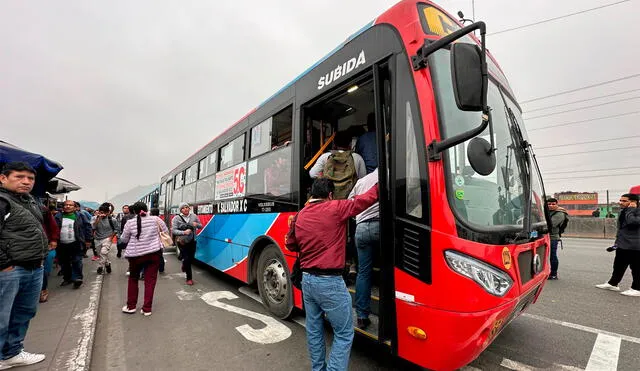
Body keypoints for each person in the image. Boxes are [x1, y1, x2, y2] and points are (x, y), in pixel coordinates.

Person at [285, 177, 379, 371]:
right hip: (330, 283)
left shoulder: (300, 215)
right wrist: (382, 183)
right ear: (329, 195)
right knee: (344, 333)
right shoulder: (336, 208)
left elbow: (291, 244)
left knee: (314, 329)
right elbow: (365, 200)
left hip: (307, 282)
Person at [0, 162, 48, 368]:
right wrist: (4, 264)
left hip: (34, 267)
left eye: (30, 178)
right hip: (11, 269)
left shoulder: (30, 201)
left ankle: (12, 353)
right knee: (2, 315)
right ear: (3, 178)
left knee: (24, 312)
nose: (26, 182)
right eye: (19, 177)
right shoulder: (2, 201)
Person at [120, 202, 168, 316]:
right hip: (154, 254)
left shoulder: (130, 223)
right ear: (146, 209)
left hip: (135, 256)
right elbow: (165, 232)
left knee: (133, 279)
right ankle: (147, 309)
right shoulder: (156, 219)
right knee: (150, 281)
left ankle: (131, 306)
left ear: (134, 211)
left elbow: (124, 239)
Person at [348, 168, 379, 329]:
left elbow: (350, 202)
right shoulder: (391, 175)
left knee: (364, 272)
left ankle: (361, 316)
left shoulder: (362, 181)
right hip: (380, 226)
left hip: (360, 229)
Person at [596, 193, 640, 296]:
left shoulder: (635, 211)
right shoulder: (623, 211)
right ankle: (613, 283)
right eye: (620, 200)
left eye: (624, 201)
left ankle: (637, 288)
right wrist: (617, 243)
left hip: (635, 245)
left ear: (633, 202)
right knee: (618, 265)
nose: (620, 202)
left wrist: (631, 210)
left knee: (636, 267)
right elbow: (621, 229)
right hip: (623, 243)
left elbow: (632, 222)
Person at [55, 200, 91, 288]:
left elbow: (88, 227)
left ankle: (77, 278)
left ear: (75, 207)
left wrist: (88, 240)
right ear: (63, 207)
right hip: (62, 244)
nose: (68, 206)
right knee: (64, 262)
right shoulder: (58, 216)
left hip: (76, 242)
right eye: (66, 205)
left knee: (77, 260)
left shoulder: (80, 216)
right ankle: (67, 278)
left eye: (70, 205)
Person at [172, 202, 202, 285]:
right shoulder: (176, 218)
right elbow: (174, 230)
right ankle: (189, 278)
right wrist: (184, 232)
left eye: (187, 207)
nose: (185, 209)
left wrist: (197, 225)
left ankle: (184, 264)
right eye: (183, 208)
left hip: (193, 241)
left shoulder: (194, 216)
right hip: (182, 241)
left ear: (189, 208)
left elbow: (200, 226)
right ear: (181, 210)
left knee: (191, 258)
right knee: (187, 259)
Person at [40, 199, 60, 303]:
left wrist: (53, 240)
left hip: (43, 245)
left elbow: (53, 226)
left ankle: (43, 289)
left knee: (43, 269)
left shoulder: (41, 209)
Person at [93, 202, 119, 275]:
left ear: (108, 212)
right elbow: (93, 227)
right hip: (97, 239)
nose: (103, 214)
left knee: (103, 252)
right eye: (101, 212)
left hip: (107, 238)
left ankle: (100, 266)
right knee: (100, 254)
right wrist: (98, 218)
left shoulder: (112, 220)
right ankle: (107, 264)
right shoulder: (95, 218)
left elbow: (116, 229)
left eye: (105, 212)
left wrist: (111, 238)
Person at [547, 198, 569, 280]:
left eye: (553, 204)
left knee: (552, 256)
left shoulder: (560, 213)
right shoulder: (546, 211)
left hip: (553, 237)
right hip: (545, 236)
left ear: (557, 204)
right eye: (549, 204)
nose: (551, 205)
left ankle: (553, 274)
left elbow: (551, 224)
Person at [150, 208, 165, 273]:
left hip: (150, 241)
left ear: (151, 213)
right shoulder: (160, 220)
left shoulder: (148, 220)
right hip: (158, 241)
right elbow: (165, 230)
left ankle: (151, 269)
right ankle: (161, 269)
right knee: (160, 255)